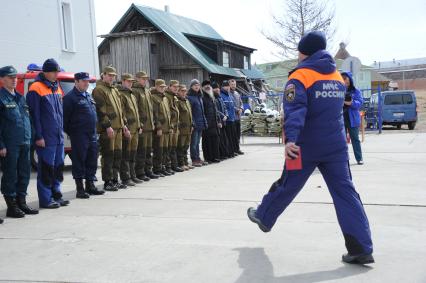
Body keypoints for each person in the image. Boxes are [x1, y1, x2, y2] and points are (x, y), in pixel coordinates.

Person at [247, 31, 374, 265]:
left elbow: (296, 110)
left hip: (304, 147)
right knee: (346, 194)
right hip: (336, 147)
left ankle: (264, 216)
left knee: (287, 184)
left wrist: (291, 140)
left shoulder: (301, 76)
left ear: (304, 51)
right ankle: (361, 248)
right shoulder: (336, 76)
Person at [26, 58, 69, 208]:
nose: (56, 74)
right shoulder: (36, 88)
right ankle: (46, 199)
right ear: (46, 72)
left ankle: (56, 195)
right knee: (46, 169)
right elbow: (33, 115)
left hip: (57, 137)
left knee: (57, 168)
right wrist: (38, 136)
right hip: (45, 138)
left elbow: (60, 112)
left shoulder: (56, 87)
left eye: (57, 72)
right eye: (54, 72)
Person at [0, 65, 38, 219]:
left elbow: (28, 119)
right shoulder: (1, 98)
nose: (14, 80)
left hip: (25, 142)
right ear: (2, 79)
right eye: (10, 77)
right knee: (10, 174)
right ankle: (11, 206)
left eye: (15, 77)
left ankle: (21, 202)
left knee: (24, 173)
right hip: (10, 144)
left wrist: (33, 138)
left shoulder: (20, 97)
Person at [63, 72, 105, 198]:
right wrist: (74, 133)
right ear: (76, 82)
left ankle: (90, 185)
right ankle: (80, 189)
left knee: (92, 160)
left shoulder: (88, 96)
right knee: (79, 161)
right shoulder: (70, 98)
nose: (86, 83)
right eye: (84, 81)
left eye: (87, 81)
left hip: (92, 134)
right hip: (79, 135)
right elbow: (65, 120)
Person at [93, 66, 128, 191]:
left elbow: (121, 109)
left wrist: (124, 125)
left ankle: (114, 179)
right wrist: (107, 126)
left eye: (113, 75)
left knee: (117, 155)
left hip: (118, 128)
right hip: (108, 129)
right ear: (103, 75)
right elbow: (100, 111)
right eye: (109, 75)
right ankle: (107, 181)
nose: (112, 77)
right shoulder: (99, 90)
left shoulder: (114, 90)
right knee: (108, 155)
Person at [133, 71, 159, 181]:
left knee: (148, 150)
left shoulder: (147, 91)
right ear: (137, 78)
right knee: (141, 152)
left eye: (146, 79)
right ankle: (140, 172)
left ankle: (148, 170)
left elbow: (151, 109)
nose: (145, 81)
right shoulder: (135, 91)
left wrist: (153, 123)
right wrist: (140, 124)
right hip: (142, 126)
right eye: (143, 79)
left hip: (149, 126)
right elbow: (136, 109)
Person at [117, 73, 142, 186]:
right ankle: (125, 177)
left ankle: (133, 175)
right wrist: (125, 127)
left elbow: (136, 112)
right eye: (128, 81)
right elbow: (122, 113)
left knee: (133, 154)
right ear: (122, 81)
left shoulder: (131, 94)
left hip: (135, 129)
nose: (130, 83)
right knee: (126, 155)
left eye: (131, 81)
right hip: (128, 130)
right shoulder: (121, 94)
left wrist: (139, 125)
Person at [342, 72, 364, 165]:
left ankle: (359, 158)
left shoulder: (356, 91)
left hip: (353, 119)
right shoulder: (338, 90)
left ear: (350, 80)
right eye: (342, 79)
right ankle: (343, 160)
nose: (344, 81)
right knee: (341, 141)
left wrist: (351, 103)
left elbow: (360, 103)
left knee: (355, 139)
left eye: (346, 79)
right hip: (341, 118)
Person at [150, 79, 172, 176]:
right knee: (158, 149)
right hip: (160, 129)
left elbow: (169, 114)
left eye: (164, 87)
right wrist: (158, 127)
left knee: (165, 149)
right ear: (156, 87)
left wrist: (170, 126)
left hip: (167, 128)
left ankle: (163, 167)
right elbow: (155, 114)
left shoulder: (165, 98)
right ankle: (157, 168)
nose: (162, 88)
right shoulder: (154, 98)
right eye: (160, 87)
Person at [187, 79, 208, 167]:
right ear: (191, 86)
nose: (196, 86)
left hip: (200, 123)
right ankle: (194, 159)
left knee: (197, 143)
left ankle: (198, 158)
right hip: (195, 124)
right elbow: (190, 112)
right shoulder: (190, 97)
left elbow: (202, 112)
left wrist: (204, 122)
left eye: (198, 85)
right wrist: (193, 123)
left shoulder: (200, 97)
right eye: (194, 85)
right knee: (194, 143)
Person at [165, 80, 183, 172]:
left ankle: (174, 165)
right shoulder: (167, 97)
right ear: (169, 86)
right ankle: (168, 167)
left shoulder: (175, 98)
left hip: (176, 126)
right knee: (169, 147)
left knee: (173, 147)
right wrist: (171, 125)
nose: (176, 88)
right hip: (170, 126)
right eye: (174, 87)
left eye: (177, 87)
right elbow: (167, 113)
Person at [201, 80, 221, 163]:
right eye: (205, 85)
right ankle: (208, 158)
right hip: (206, 123)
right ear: (202, 87)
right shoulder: (202, 97)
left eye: (209, 85)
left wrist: (219, 121)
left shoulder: (212, 96)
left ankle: (215, 157)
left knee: (215, 141)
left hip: (214, 123)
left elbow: (216, 110)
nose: (208, 86)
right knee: (207, 142)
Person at [176, 84, 194, 170]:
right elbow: (177, 115)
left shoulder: (186, 101)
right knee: (180, 147)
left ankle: (186, 162)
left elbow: (190, 114)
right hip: (182, 128)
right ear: (178, 92)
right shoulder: (177, 101)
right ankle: (181, 163)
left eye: (185, 91)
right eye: (182, 91)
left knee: (186, 146)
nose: (184, 93)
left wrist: (192, 124)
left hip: (188, 128)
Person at [212, 82, 230, 160]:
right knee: (219, 139)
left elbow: (225, 107)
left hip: (224, 120)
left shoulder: (219, 98)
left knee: (224, 138)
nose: (217, 89)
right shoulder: (213, 98)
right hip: (218, 121)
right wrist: (223, 116)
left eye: (218, 88)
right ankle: (221, 154)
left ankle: (224, 153)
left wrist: (226, 115)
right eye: (215, 88)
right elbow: (216, 110)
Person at [220, 81, 237, 157]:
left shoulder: (229, 96)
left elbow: (232, 107)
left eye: (228, 86)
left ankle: (232, 151)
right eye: (225, 86)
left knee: (232, 137)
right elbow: (224, 108)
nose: (227, 87)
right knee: (227, 137)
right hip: (227, 120)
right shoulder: (221, 95)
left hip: (232, 119)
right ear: (222, 87)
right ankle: (229, 152)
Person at [229, 79, 244, 155]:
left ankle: (237, 148)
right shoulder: (228, 94)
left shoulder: (237, 93)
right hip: (232, 117)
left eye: (234, 84)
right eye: (232, 84)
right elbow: (230, 105)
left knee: (238, 134)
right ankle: (233, 149)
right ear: (229, 85)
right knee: (233, 135)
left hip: (238, 117)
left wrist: (241, 108)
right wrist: (237, 110)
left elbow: (241, 102)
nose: (233, 86)